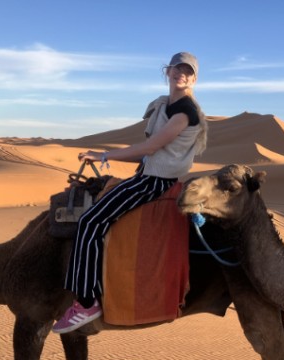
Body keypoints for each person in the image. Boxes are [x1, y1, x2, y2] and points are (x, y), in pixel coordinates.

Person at [53, 51, 207, 334]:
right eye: (177, 68)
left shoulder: (185, 112)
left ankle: (87, 302)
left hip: (154, 183)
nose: (181, 74)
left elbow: (149, 149)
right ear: (168, 71)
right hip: (147, 174)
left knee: (90, 222)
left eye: (188, 71)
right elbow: (150, 155)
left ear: (194, 78)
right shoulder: (164, 107)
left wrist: (103, 155)